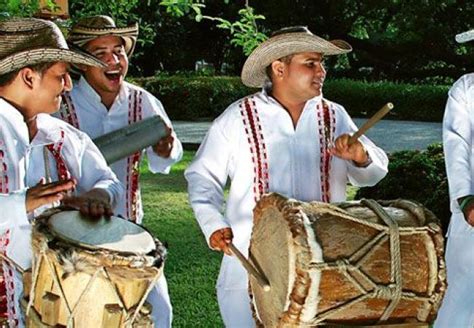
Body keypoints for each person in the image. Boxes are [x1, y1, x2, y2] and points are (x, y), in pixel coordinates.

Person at [185, 26, 389, 327]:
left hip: (325, 263)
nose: (321, 71)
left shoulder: (334, 116)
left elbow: (374, 172)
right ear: (279, 68)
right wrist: (213, 224)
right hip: (252, 266)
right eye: (310, 63)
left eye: (322, 63)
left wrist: (360, 156)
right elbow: (202, 176)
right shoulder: (238, 117)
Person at [55, 15, 182, 328]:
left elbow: (169, 152)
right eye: (101, 54)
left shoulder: (143, 101)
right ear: (81, 63)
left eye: (119, 52)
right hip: (73, 236)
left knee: (158, 311)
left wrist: (166, 150)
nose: (114, 61)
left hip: (129, 231)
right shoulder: (61, 104)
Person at [0, 18, 124, 327]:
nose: (68, 86)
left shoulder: (64, 136)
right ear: (29, 77)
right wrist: (21, 203)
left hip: (57, 303)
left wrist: (99, 194)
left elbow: (108, 181)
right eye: (61, 75)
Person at [434, 29, 474, 328]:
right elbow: (456, 143)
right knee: (461, 300)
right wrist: (466, 198)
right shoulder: (466, 89)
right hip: (471, 217)